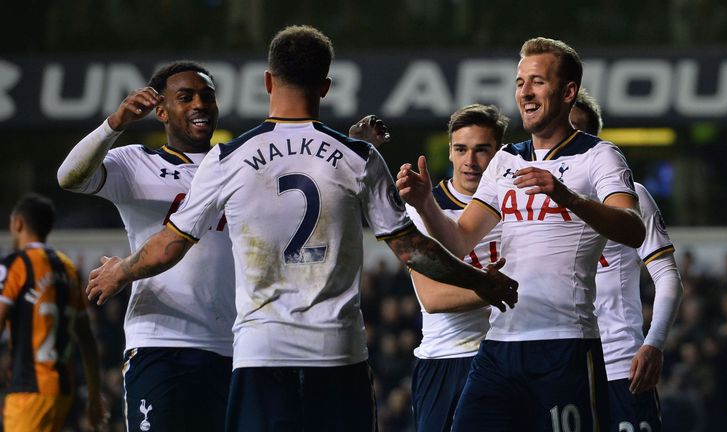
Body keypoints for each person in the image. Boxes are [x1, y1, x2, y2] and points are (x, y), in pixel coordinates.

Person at [84, 25, 518, 432]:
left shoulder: (227, 159)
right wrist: (480, 280)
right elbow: (412, 249)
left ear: (268, 82)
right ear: (325, 87)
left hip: (261, 354)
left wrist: (122, 270)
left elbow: (169, 247)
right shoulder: (359, 156)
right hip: (338, 354)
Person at [396, 37, 646, 431]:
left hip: (564, 341)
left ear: (568, 92)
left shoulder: (599, 156)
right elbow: (460, 238)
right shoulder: (505, 159)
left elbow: (633, 229)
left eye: (537, 82)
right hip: (499, 345)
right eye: (520, 82)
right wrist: (426, 203)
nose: (525, 92)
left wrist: (568, 197)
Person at [57, 61, 236, 431]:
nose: (199, 104)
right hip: (160, 342)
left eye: (207, 96)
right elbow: (69, 177)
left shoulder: (238, 166)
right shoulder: (137, 162)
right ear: (162, 111)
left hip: (234, 346)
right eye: (185, 97)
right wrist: (114, 124)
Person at [571, 88, 684, 431]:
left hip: (621, 364)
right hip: (559, 366)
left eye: (577, 131)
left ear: (594, 141)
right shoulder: (531, 201)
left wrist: (654, 344)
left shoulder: (631, 195)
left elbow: (668, 278)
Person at [404, 104, 508, 432]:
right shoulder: (423, 206)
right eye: (461, 149)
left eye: (482, 150)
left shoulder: (517, 202)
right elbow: (433, 298)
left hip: (509, 355)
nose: (470, 161)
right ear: (449, 151)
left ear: (500, 153)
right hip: (447, 359)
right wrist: (494, 289)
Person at [0, 194, 106, 431]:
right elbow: (87, 338)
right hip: (62, 391)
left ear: (18, 223)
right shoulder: (68, 269)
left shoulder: (16, 265)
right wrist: (94, 394)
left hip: (28, 389)